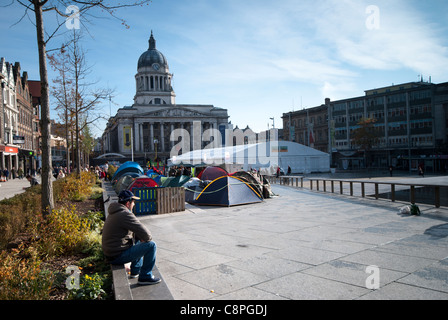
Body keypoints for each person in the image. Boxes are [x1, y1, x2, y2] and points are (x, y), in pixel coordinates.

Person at [102, 190, 161, 285]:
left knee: (138, 238)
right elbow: (147, 236)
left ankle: (135, 271)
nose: (134, 205)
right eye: (133, 202)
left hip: (111, 253)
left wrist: (141, 237)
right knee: (151, 245)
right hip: (117, 256)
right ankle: (145, 276)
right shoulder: (125, 214)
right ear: (128, 203)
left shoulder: (115, 211)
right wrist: (144, 239)